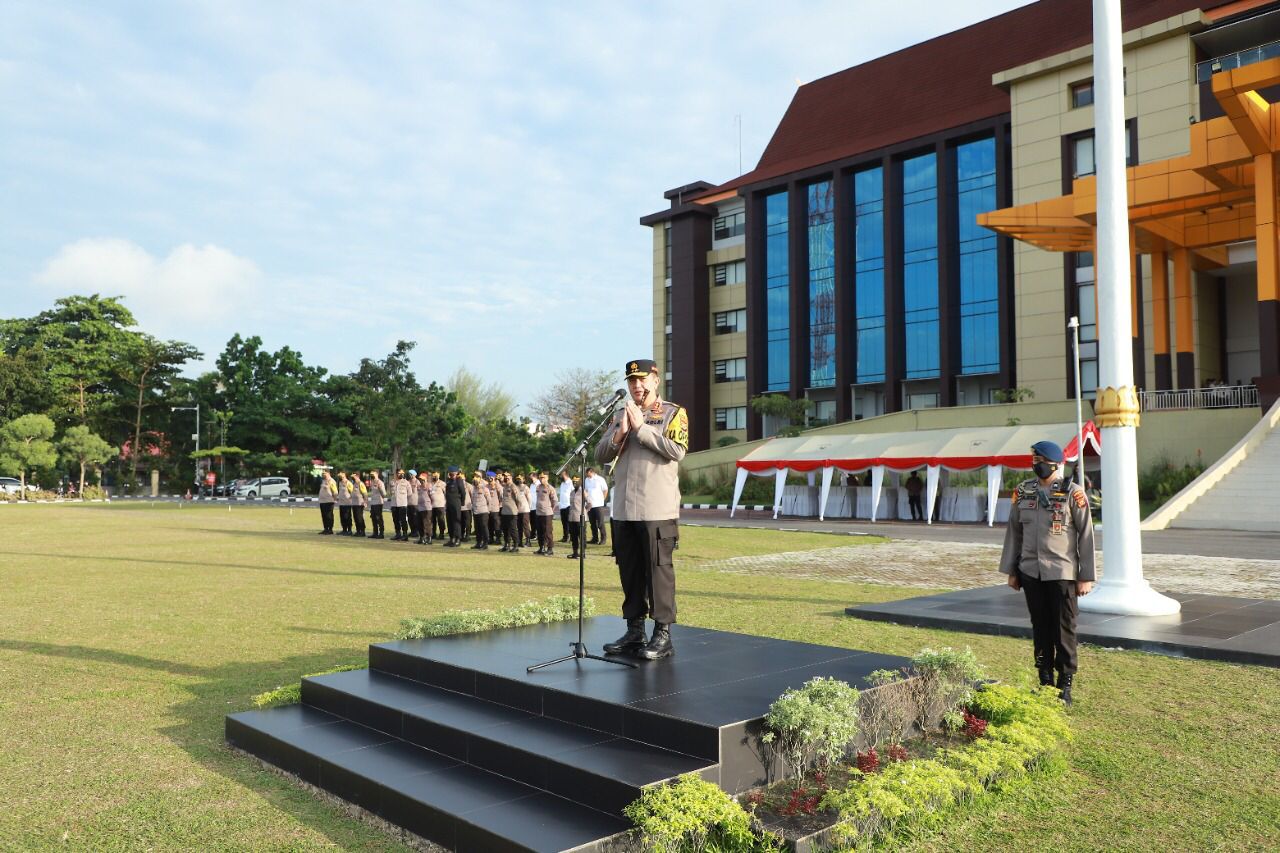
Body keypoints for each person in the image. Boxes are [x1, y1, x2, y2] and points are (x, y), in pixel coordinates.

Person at [596, 358, 688, 660]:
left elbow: (677, 451)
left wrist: (642, 430)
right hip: (623, 508)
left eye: (642, 379)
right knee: (630, 572)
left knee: (658, 572)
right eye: (631, 381)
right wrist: (620, 433)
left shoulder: (673, 413)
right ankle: (635, 630)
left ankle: (663, 634)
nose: (636, 385)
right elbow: (600, 453)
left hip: (656, 509)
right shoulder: (620, 414)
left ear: (655, 380)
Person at [999, 439, 1096, 705]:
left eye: (1040, 461)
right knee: (1040, 629)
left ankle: (1065, 685)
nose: (1036, 465)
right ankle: (1044, 681)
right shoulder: (1023, 491)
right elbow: (1014, 533)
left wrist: (1086, 575)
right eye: (1033, 461)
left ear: (1055, 463)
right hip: (1031, 571)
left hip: (1062, 572)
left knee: (1064, 630)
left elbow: (1086, 536)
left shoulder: (1073, 493)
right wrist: (1011, 569)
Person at [535, 471, 560, 555]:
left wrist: (550, 509)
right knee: (540, 531)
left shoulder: (550, 488)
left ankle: (550, 548)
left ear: (547, 478)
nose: (542, 479)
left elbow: (555, 501)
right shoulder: (538, 487)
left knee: (547, 531)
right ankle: (541, 547)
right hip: (538, 512)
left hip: (547, 513)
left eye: (543, 477)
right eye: (540, 477)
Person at [565, 475, 590, 559]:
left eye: (576, 482)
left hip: (580, 517)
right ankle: (575, 552)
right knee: (573, 536)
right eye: (573, 482)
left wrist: (584, 511)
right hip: (572, 517)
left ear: (580, 482)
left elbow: (589, 503)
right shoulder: (572, 492)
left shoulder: (583, 491)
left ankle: (583, 553)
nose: (574, 483)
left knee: (582, 536)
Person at [585, 467, 609, 545]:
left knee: (600, 523)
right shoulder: (586, 480)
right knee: (592, 523)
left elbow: (605, 490)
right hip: (590, 505)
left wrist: (603, 500)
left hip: (598, 504)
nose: (588, 476)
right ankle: (594, 538)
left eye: (588, 474)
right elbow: (586, 490)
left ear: (592, 472)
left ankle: (603, 539)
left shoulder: (600, 479)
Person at [499, 472, 520, 552]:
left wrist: (516, 508)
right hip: (504, 511)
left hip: (512, 512)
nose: (506, 478)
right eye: (505, 476)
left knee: (513, 529)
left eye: (508, 476)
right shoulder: (505, 487)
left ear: (511, 477)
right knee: (505, 529)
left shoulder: (513, 487)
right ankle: (506, 545)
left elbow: (518, 499)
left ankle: (515, 545)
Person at [445, 466, 466, 546]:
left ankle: (458, 539)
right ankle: (452, 538)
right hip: (449, 503)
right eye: (450, 473)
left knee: (456, 522)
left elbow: (463, 493)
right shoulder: (449, 481)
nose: (452, 474)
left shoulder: (459, 481)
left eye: (453, 473)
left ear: (456, 473)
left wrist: (462, 502)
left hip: (456, 503)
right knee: (449, 521)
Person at [470, 472, 490, 550]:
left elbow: (489, 500)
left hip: (483, 511)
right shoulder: (473, 489)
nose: (475, 482)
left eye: (477, 479)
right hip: (476, 511)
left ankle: (485, 543)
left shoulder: (485, 488)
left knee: (484, 527)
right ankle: (478, 543)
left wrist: (487, 509)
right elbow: (472, 499)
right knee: (477, 528)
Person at [367, 470, 386, 539]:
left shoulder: (380, 482)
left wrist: (379, 488)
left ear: (377, 474)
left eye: (373, 475)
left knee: (379, 518)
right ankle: (375, 532)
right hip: (373, 503)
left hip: (378, 503)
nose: (372, 476)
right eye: (371, 475)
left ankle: (381, 533)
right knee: (373, 518)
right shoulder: (372, 482)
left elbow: (384, 494)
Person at [317, 469, 337, 534]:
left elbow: (335, 492)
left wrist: (334, 499)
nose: (323, 474)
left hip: (329, 501)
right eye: (322, 473)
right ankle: (325, 528)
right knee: (324, 516)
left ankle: (330, 529)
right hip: (322, 501)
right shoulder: (323, 481)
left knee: (329, 516)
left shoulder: (332, 481)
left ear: (328, 473)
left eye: (324, 473)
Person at [430, 472, 447, 542]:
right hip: (432, 505)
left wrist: (445, 502)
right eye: (433, 476)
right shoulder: (430, 484)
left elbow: (446, 493)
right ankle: (433, 533)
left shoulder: (442, 484)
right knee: (432, 520)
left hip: (440, 505)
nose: (435, 477)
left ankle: (441, 534)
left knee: (441, 520)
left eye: (436, 476)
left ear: (439, 476)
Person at [558, 471, 573, 542]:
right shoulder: (562, 484)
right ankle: (565, 536)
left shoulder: (571, 483)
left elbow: (574, 494)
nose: (561, 476)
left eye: (562, 475)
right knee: (564, 522)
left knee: (569, 522)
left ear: (566, 475)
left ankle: (571, 537)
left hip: (568, 505)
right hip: (562, 506)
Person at [351, 472, 368, 537]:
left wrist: (365, 502)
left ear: (357, 476)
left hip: (359, 503)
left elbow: (365, 494)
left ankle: (362, 531)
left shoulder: (361, 484)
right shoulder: (354, 483)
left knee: (359, 518)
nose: (352, 477)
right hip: (354, 503)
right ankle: (358, 531)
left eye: (354, 476)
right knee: (355, 518)